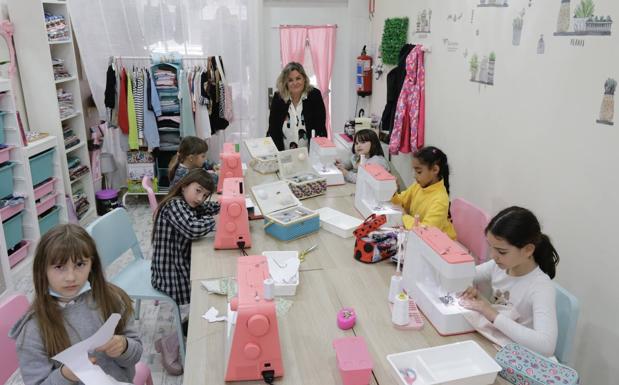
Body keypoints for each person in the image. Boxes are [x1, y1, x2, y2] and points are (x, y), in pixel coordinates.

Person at [10, 224, 142, 385]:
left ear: (92, 264)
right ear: (42, 270)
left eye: (80, 264)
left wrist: (124, 347)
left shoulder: (111, 298)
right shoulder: (33, 330)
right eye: (59, 267)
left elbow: (135, 353)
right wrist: (65, 375)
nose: (71, 277)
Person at [459, 206, 559, 357]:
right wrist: (468, 290)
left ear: (528, 250)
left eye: (501, 251)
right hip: (497, 344)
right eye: (490, 247)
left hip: (521, 357)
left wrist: (490, 312)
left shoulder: (541, 287)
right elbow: (464, 276)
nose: (493, 255)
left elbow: (546, 346)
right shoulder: (499, 266)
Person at [150, 169, 219, 374]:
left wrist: (224, 206)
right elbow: (192, 228)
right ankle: (170, 343)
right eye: (198, 191)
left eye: (205, 195)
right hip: (169, 272)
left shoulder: (186, 202)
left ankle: (174, 339)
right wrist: (217, 220)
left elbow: (205, 209)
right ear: (184, 186)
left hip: (176, 264)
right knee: (205, 298)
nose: (200, 198)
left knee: (208, 293)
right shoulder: (175, 205)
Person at [391, 145, 456, 238]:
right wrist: (392, 191)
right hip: (420, 236)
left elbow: (426, 232)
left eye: (419, 172)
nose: (414, 176)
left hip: (441, 244)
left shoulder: (440, 200)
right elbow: (400, 201)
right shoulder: (418, 185)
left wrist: (404, 216)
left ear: (435, 170)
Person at [267, 62, 326, 151]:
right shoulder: (278, 98)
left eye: (298, 78)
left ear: (304, 79)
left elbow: (320, 127)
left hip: (310, 155)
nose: (295, 83)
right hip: (284, 156)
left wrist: (318, 154)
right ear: (285, 83)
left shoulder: (314, 95)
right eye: (290, 80)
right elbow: (273, 129)